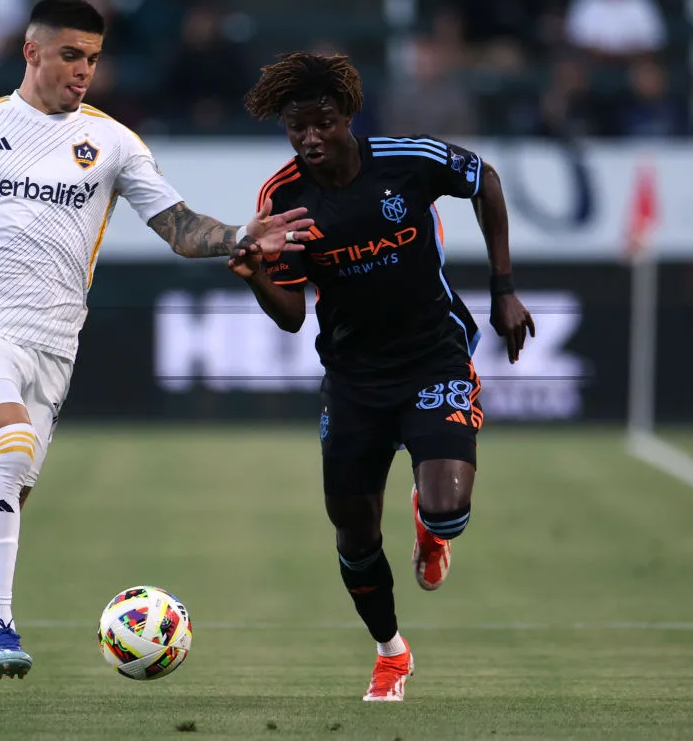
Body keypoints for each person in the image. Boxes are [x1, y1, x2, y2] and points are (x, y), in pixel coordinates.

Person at [0, 0, 312, 681]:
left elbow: (179, 229)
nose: (83, 70)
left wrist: (242, 235)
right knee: (9, 442)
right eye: (70, 55)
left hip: (54, 344)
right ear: (30, 52)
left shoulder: (114, 143)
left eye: (92, 57)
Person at [228, 52, 534, 702]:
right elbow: (288, 318)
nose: (309, 138)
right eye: (295, 127)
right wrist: (255, 268)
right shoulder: (283, 199)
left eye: (322, 123)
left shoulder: (408, 159)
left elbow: (488, 182)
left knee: (450, 508)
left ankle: (431, 524)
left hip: (434, 357)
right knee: (355, 533)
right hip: (353, 379)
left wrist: (504, 289)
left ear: (348, 116)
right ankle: (390, 652)